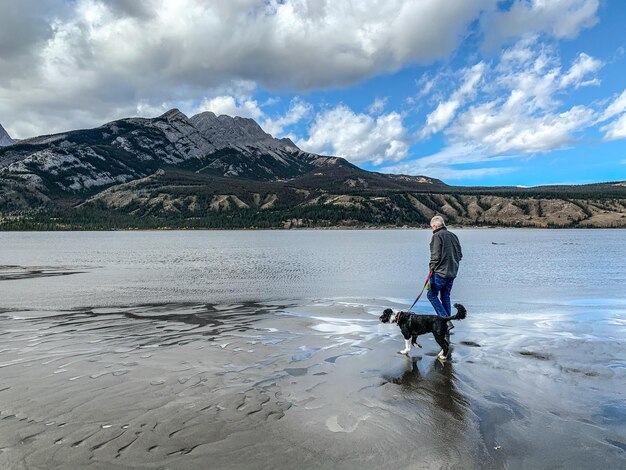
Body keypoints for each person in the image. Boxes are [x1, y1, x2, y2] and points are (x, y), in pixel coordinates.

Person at [426, 215, 462, 329]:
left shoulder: (437, 236)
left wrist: (431, 269)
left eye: (432, 227)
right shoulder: (454, 236)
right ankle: (447, 322)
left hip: (440, 273)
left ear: (435, 226)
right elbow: (459, 255)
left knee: (431, 294)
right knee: (445, 296)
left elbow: (435, 257)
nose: (432, 229)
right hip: (452, 272)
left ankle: (445, 321)